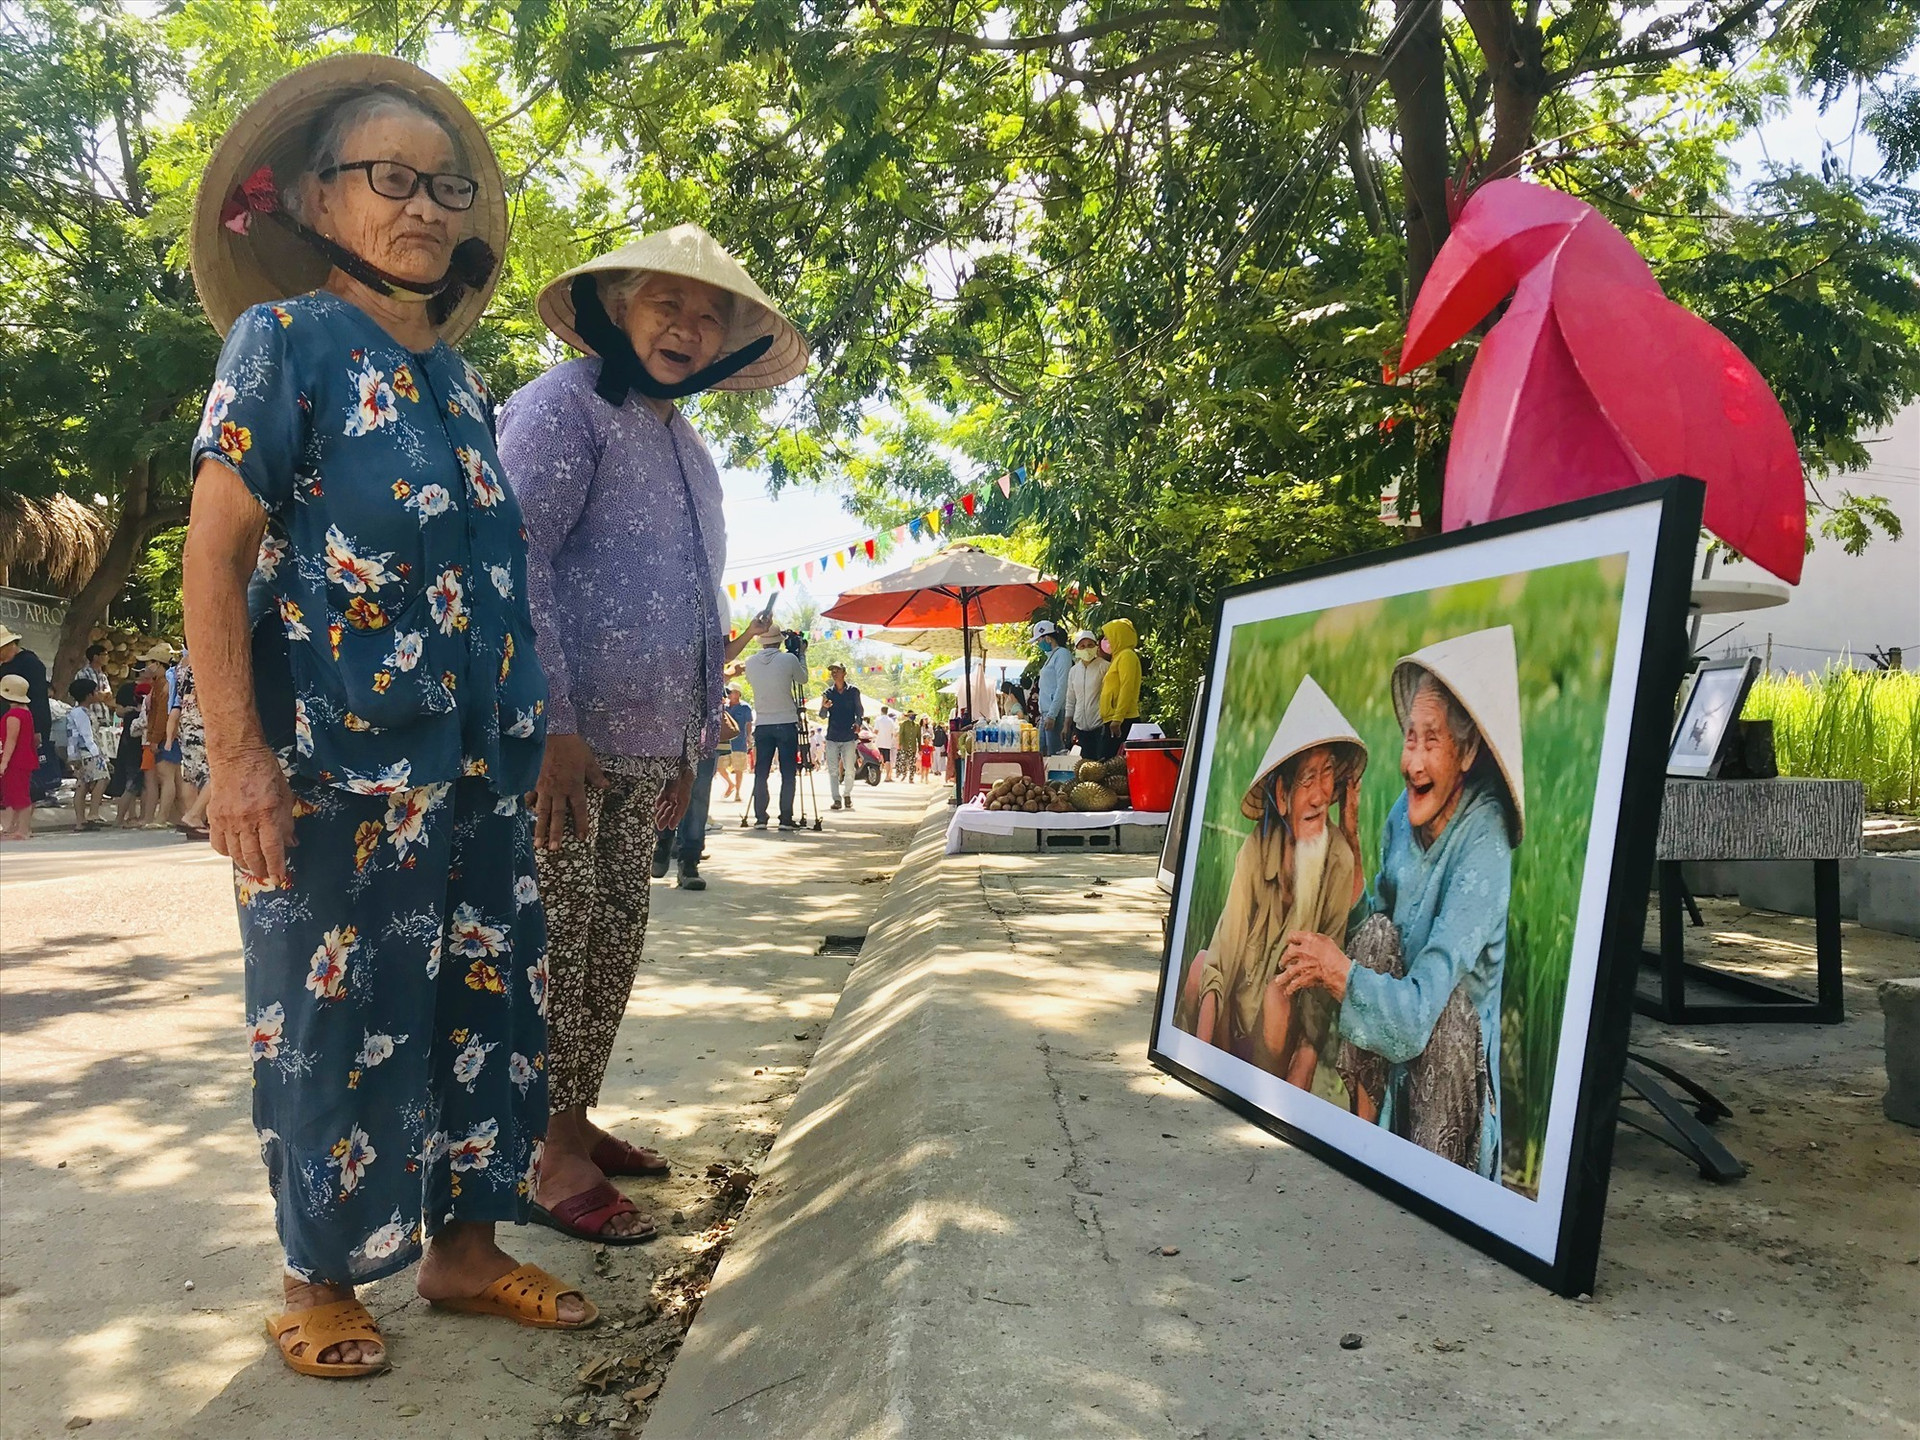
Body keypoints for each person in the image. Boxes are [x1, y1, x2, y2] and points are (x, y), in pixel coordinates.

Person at [182, 56, 588, 1377]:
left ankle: (463, 1252)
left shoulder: (465, 384)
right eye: (389, 179)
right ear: (314, 197)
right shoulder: (284, 345)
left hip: (475, 773)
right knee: (330, 1023)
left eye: (445, 185)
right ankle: (314, 1277)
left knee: (485, 1008)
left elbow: (490, 582)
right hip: (333, 772)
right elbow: (214, 556)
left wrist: (536, 732)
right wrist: (234, 754)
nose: (422, 206)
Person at [499, 222, 803, 1244]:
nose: (688, 326)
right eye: (667, 303)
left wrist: (691, 743)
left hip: (650, 754)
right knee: (556, 944)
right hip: (570, 749)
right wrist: (555, 724)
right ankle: (541, 1151)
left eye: (709, 315)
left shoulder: (693, 450)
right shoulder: (561, 409)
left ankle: (576, 1118)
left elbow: (695, 603)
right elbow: (518, 562)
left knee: (613, 944)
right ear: (616, 308)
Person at [1276, 627, 1525, 1179]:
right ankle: (1366, 1133)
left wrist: (1339, 974)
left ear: (1468, 752)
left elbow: (1418, 1018)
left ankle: (1431, 1179)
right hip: (1395, 1067)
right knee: (1378, 937)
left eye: (1430, 740)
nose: (1411, 760)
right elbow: (1372, 927)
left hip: (1446, 1076)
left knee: (1453, 1013)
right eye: (1409, 737)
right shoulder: (1400, 816)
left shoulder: (1484, 844)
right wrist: (1351, 840)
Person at [1178, 678, 1367, 1091]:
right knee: (1199, 967)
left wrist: (1306, 1058)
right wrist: (1198, 1057)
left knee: (1278, 995)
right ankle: (1215, 1075)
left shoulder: (1338, 861)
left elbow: (1320, 991)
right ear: (1281, 796)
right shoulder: (1255, 850)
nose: (1319, 796)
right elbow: (1223, 951)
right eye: (1307, 779)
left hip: (1280, 1035)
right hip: (1234, 1025)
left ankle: (1260, 1099)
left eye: (1328, 777)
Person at [743, 631, 807, 828]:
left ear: (761, 642)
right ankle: (786, 818)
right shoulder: (788, 659)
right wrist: (801, 654)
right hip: (786, 721)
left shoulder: (749, 662)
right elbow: (802, 679)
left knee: (761, 772)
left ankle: (760, 818)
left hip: (762, 722)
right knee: (788, 772)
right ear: (780, 641)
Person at [0, 625, 54, 801]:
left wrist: (38, 728)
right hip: (6, 720)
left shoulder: (30, 663)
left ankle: (31, 796)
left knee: (22, 766)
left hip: (26, 722)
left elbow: (38, 697)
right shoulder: (5, 665)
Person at [64, 676, 113, 831]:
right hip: (89, 753)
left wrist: (72, 756)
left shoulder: (77, 712)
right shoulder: (81, 713)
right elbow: (87, 735)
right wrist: (99, 755)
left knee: (83, 785)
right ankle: (93, 812)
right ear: (89, 694)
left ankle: (81, 822)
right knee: (103, 778)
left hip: (81, 753)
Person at [818, 662, 863, 811]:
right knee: (833, 770)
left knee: (850, 769)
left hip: (848, 736)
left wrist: (858, 723)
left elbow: (859, 711)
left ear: (844, 673)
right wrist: (825, 708)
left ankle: (847, 794)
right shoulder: (828, 693)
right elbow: (822, 715)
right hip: (832, 735)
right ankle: (836, 799)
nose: (834, 673)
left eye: (837, 671)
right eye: (832, 671)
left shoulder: (853, 691)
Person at [1097, 618, 1142, 758]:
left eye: (1108, 637)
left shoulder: (1127, 656)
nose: (1106, 641)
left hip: (1122, 720)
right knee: (1107, 763)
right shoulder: (1117, 658)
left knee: (1108, 763)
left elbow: (1127, 687)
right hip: (1113, 719)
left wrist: (1118, 718)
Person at [0, 672, 37, 840]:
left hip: (16, 760)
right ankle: (11, 827)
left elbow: (11, 741)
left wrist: (4, 763)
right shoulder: (26, 712)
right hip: (24, 758)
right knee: (14, 794)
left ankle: (23, 829)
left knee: (19, 796)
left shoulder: (13, 716)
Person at [106, 676, 145, 826]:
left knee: (134, 783)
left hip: (133, 743)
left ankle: (131, 816)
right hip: (132, 745)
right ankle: (121, 818)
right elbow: (118, 711)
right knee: (132, 783)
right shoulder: (134, 712)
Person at [1065, 629, 1109, 758]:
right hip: (1079, 728)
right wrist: (1066, 724)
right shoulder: (1074, 671)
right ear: (1077, 649)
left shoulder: (1105, 667)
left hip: (1100, 726)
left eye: (1090, 645)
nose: (1086, 649)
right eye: (1082, 646)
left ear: (1096, 646)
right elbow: (1070, 698)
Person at [1031, 620, 1072, 756]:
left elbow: (1062, 685)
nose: (1038, 644)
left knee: (1055, 755)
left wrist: (1052, 714)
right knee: (1041, 752)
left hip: (1055, 712)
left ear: (1048, 638)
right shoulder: (1052, 657)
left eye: (1039, 640)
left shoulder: (1062, 654)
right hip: (1047, 713)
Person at [719, 684, 752, 802]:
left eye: (732, 692)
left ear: (738, 693)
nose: (730, 694)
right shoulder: (724, 706)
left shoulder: (745, 707)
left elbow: (748, 723)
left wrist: (749, 736)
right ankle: (730, 784)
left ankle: (738, 792)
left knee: (739, 769)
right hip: (725, 742)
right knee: (719, 767)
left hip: (739, 742)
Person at [896, 709, 921, 783]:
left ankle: (911, 778)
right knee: (903, 761)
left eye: (914, 715)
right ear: (908, 716)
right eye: (911, 715)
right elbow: (901, 734)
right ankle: (904, 773)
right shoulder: (903, 724)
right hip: (905, 746)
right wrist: (900, 744)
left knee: (912, 763)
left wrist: (920, 748)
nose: (913, 716)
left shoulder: (917, 726)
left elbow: (919, 738)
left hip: (913, 747)